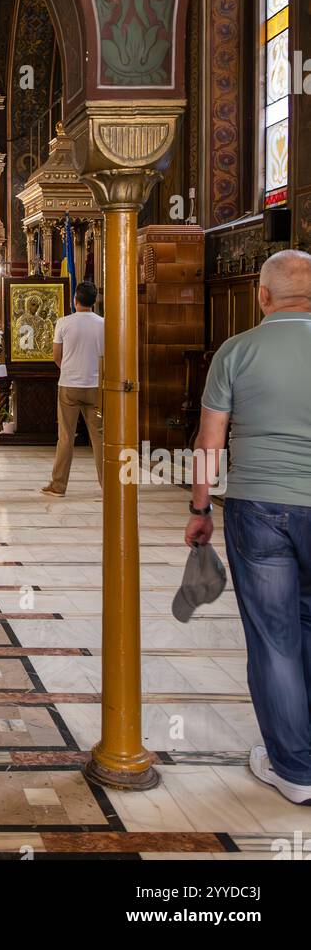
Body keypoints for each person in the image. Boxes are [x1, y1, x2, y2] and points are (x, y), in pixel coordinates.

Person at [188, 249, 311, 805]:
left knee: (274, 639)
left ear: (262, 297)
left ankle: (293, 767)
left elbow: (209, 443)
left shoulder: (237, 351)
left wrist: (198, 509)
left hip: (258, 507)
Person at [42, 280, 104, 496]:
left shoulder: (63, 322)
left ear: (75, 300)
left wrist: (70, 368)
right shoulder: (103, 324)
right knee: (99, 436)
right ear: (94, 302)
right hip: (96, 386)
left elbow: (56, 356)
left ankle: (58, 486)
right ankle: (108, 487)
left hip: (69, 385)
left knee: (66, 436)